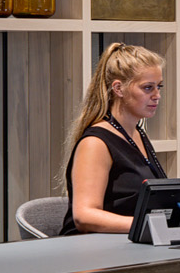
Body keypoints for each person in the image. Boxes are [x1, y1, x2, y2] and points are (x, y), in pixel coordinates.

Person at [62, 42, 169, 234]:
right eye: (148, 88)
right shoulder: (95, 143)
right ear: (118, 88)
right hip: (94, 253)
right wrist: (151, 225)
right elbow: (84, 216)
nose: (157, 95)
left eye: (158, 87)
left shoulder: (137, 134)